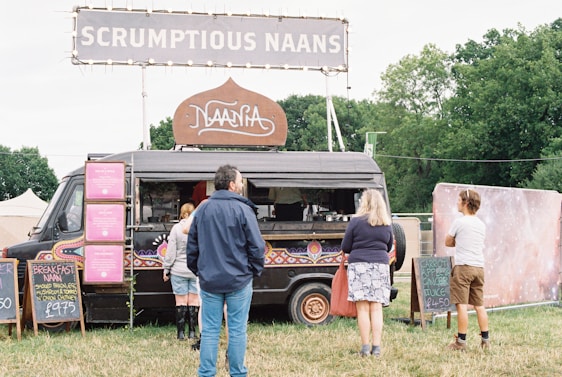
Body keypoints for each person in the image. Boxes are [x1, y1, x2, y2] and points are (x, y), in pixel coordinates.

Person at [187, 165, 265, 377]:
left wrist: (199, 271)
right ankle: (238, 373)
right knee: (237, 330)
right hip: (239, 280)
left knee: (210, 330)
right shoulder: (243, 210)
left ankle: (206, 373)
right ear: (231, 184)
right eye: (240, 181)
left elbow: (191, 246)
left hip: (209, 280)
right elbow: (257, 247)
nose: (241, 184)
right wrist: (254, 271)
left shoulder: (202, 209)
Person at [341, 189, 393, 357]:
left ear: (364, 202)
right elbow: (389, 246)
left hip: (360, 266)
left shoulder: (356, 222)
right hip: (380, 265)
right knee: (376, 308)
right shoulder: (386, 223)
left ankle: (365, 348)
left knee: (362, 309)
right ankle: (376, 349)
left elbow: (346, 247)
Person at [445, 188, 490, 351]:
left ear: (466, 203)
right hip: (479, 267)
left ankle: (461, 342)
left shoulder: (459, 222)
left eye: (458, 200)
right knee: (479, 305)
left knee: (461, 305)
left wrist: (460, 241)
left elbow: (448, 242)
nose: (457, 203)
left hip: (464, 267)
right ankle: (485, 339)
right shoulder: (481, 224)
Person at [162, 201, 200, 341]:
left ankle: (180, 334)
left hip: (178, 270)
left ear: (182, 214)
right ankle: (192, 332)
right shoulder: (198, 228)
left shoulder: (176, 229)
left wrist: (166, 268)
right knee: (194, 302)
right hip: (195, 270)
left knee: (181, 302)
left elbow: (171, 252)